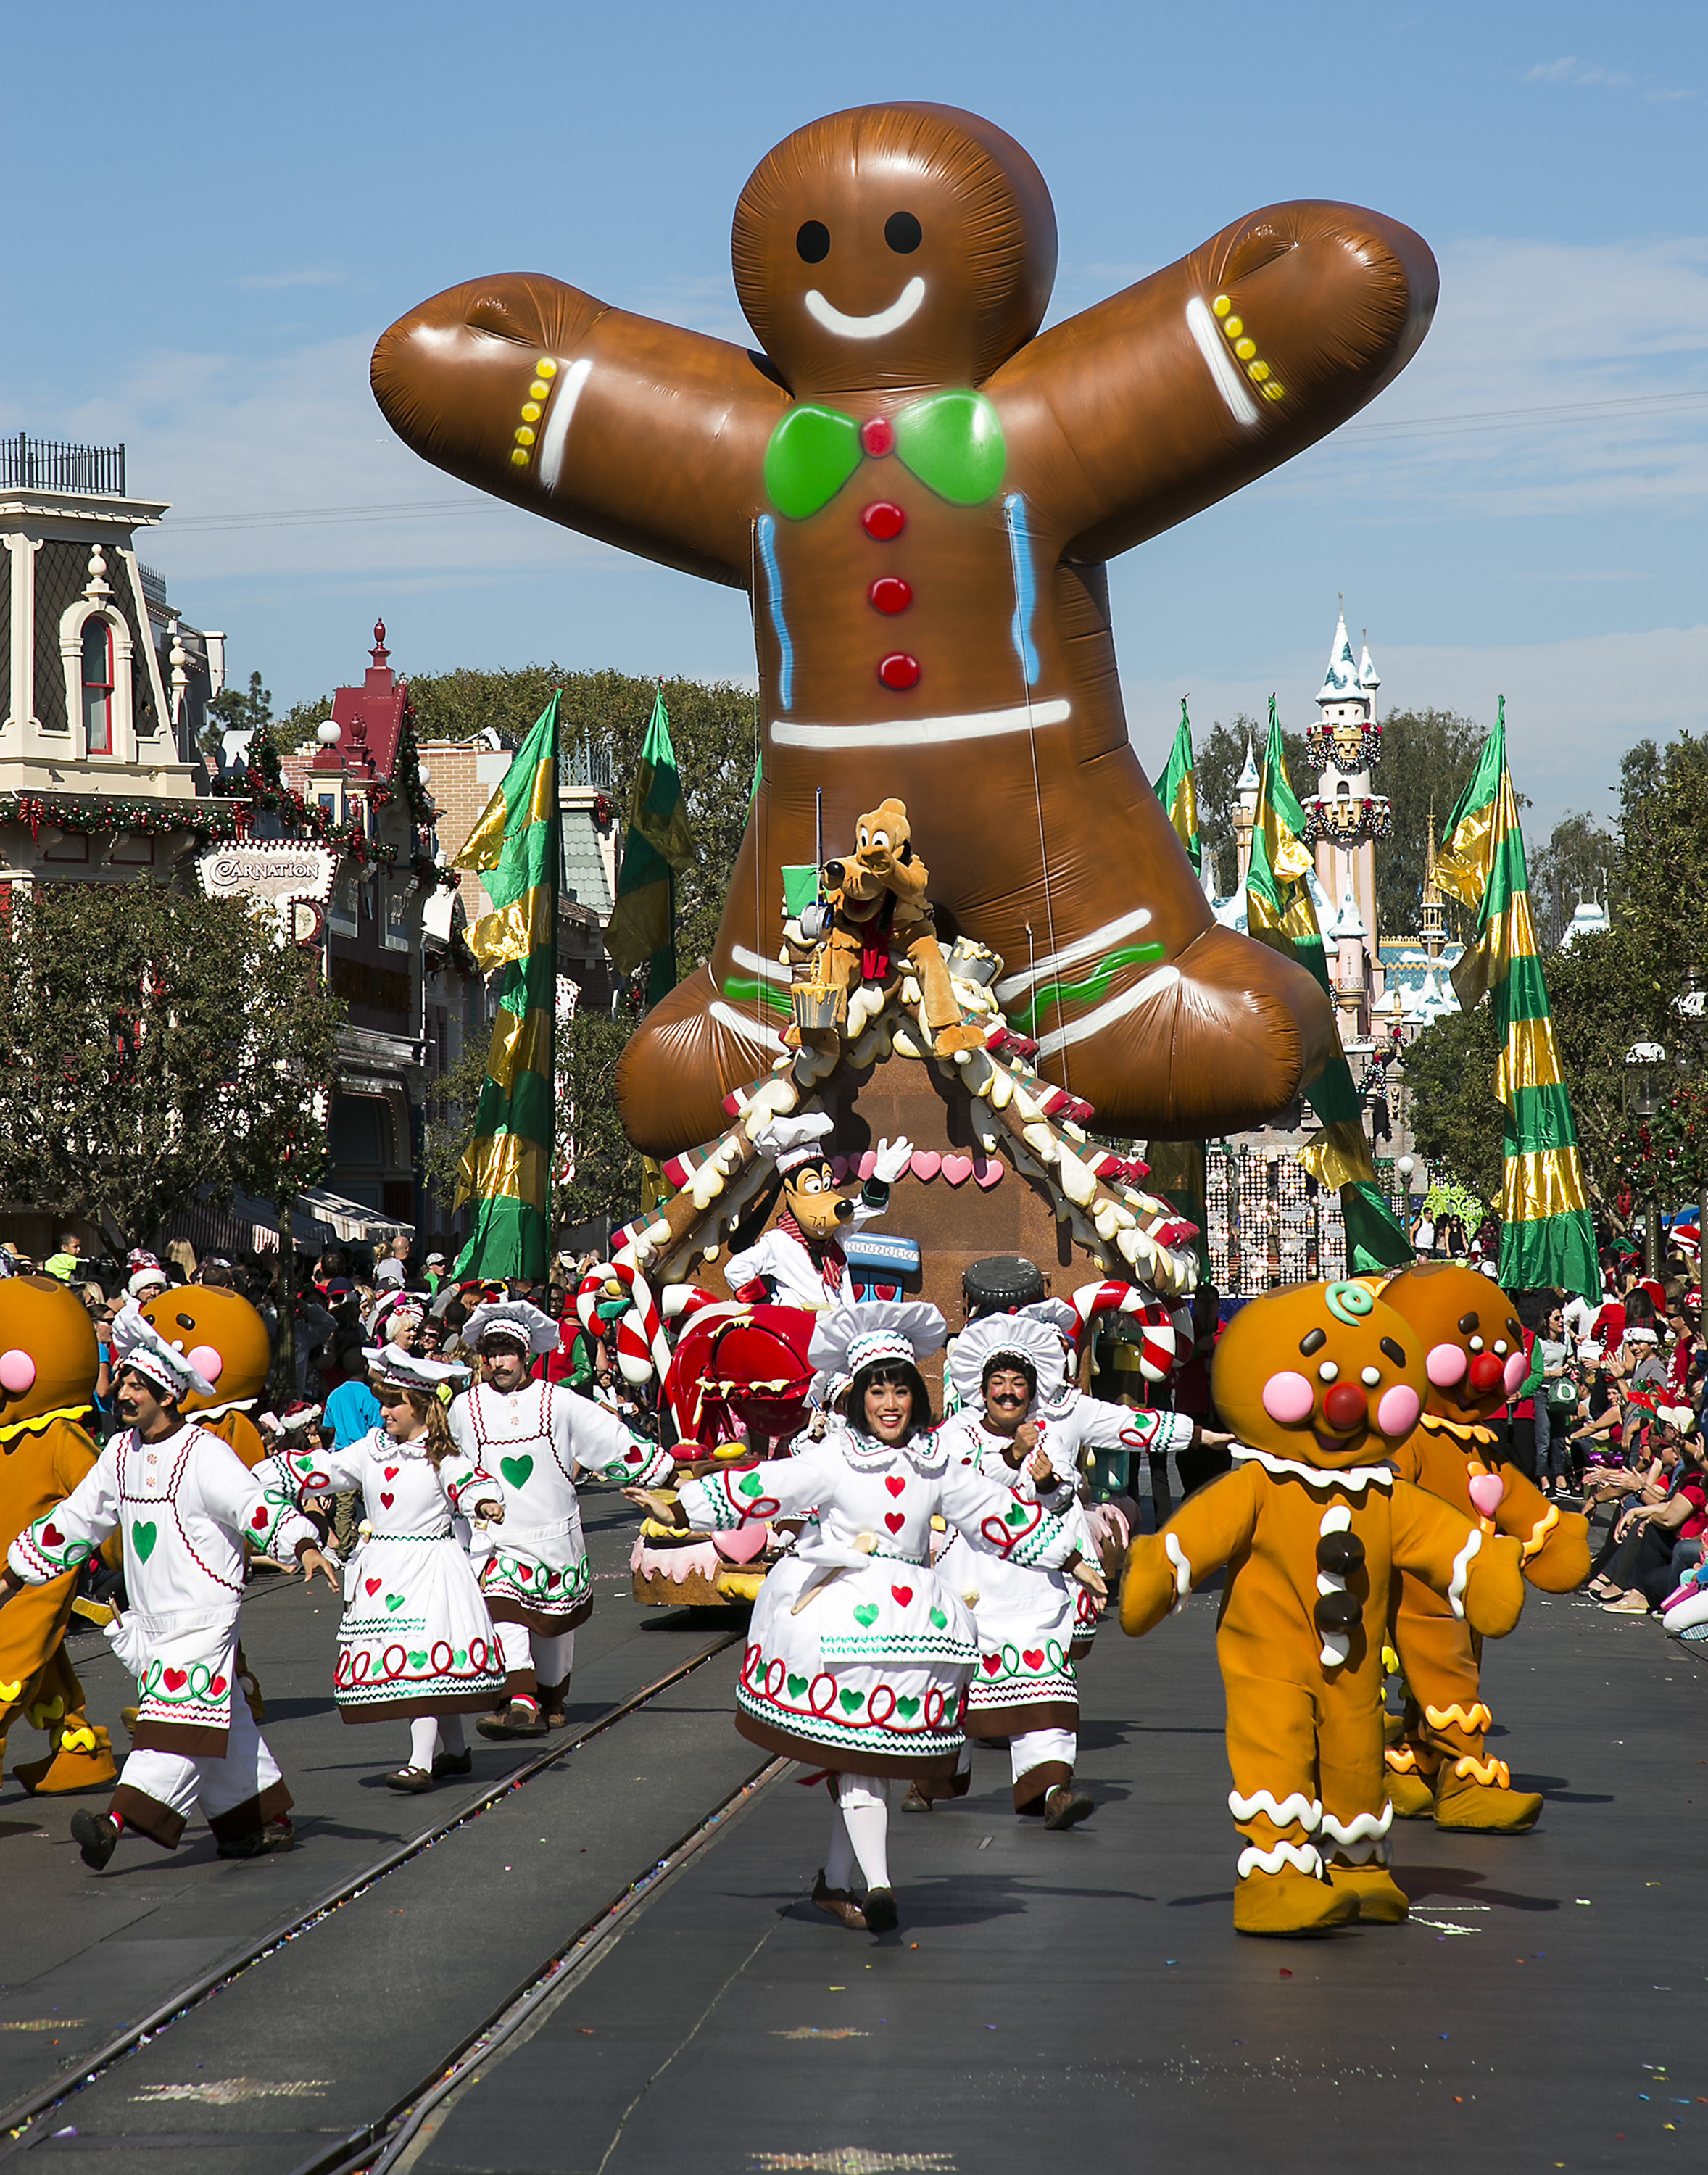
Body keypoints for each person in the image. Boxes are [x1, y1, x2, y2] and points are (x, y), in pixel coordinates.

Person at [629, 1302, 1085, 1935]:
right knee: (860, 1758)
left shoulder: (935, 1461)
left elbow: (994, 1514)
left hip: (912, 1628)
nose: (891, 1402)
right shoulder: (833, 1458)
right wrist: (683, 1508)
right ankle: (878, 1885)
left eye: (901, 1388)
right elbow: (765, 1485)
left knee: (864, 1753)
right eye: (878, 1390)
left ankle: (835, 1882)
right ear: (859, 1398)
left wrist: (1070, 1554)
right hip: (840, 1622)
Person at [0, 1304, 334, 1868]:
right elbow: (77, 1520)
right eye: (124, 1381)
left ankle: (117, 1821)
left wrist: (300, 1543)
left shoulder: (204, 1453)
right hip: (153, 1619)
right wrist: (14, 1573)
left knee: (174, 1723)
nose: (124, 1393)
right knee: (216, 1715)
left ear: (168, 1394)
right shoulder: (119, 1454)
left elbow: (253, 1505)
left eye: (137, 1385)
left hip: (204, 1617)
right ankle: (257, 1819)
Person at [929, 1313, 1228, 1823]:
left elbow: (1119, 1433)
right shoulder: (953, 1435)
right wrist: (1010, 1456)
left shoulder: (1056, 1423)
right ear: (981, 1390)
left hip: (1034, 1586)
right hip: (969, 1586)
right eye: (997, 1383)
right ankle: (932, 1778)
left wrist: (1200, 1435)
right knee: (953, 1691)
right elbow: (961, 1492)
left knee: (1048, 1686)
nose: (1008, 1393)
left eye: (1018, 1384)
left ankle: (1050, 1792)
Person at [450, 1300, 674, 1736]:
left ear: (527, 1354)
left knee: (553, 1631)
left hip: (554, 1537)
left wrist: (663, 1470)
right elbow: (447, 1462)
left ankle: (550, 1699)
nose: (498, 1362)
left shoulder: (559, 1402)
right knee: (503, 1613)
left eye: (507, 1352)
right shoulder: (465, 1407)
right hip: (495, 1540)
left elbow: (608, 1438)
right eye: (490, 1353)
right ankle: (519, 1700)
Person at [297, 1343, 508, 1789]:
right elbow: (328, 1469)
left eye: (394, 1402)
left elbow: (467, 1482)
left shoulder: (440, 1455)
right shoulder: (372, 1451)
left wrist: (483, 1503)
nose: (385, 1410)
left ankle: (421, 1763)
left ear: (422, 1407)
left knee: (421, 1665)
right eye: (383, 1401)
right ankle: (454, 1752)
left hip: (431, 1566)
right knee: (425, 1666)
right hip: (385, 1569)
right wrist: (274, 1474)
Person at [322, 1344, 382, 1554]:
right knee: (372, 1502)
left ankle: (345, 1546)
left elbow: (328, 1426)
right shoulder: (370, 1395)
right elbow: (377, 1425)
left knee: (344, 1507)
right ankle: (376, 1539)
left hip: (343, 1455)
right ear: (365, 1367)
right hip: (366, 1454)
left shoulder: (335, 1396)